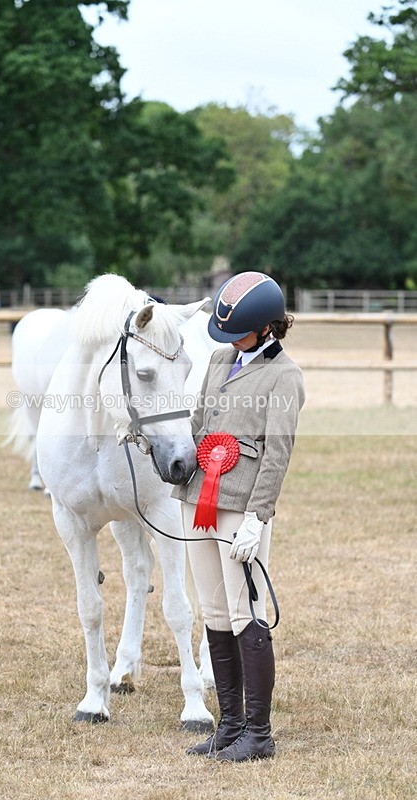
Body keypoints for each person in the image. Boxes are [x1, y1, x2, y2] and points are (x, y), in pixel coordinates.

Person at [172, 271, 305, 763]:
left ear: (268, 327)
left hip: (240, 508)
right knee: (212, 611)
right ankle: (229, 725)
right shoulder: (219, 359)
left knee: (244, 612)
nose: (229, 340)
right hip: (197, 499)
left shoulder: (284, 376)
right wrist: (164, 451)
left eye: (239, 332)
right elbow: (199, 423)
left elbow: (277, 453)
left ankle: (259, 733)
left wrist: (258, 516)